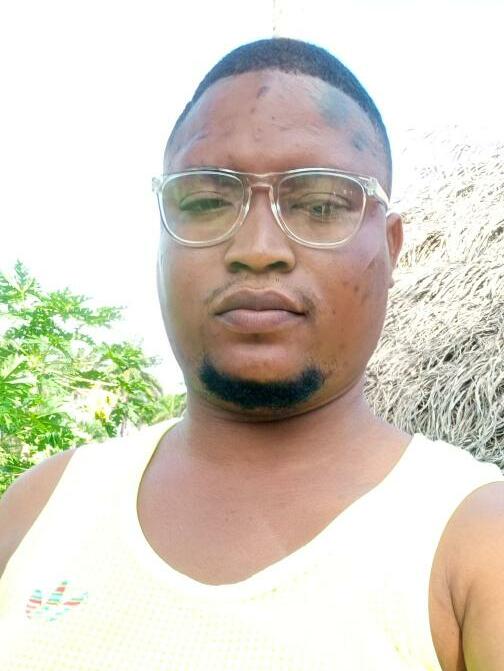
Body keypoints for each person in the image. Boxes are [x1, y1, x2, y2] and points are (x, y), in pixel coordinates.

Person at [0, 37, 503, 671]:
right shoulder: (41, 510)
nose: (258, 248)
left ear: (390, 247)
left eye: (319, 205)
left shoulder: (475, 542)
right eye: (207, 202)